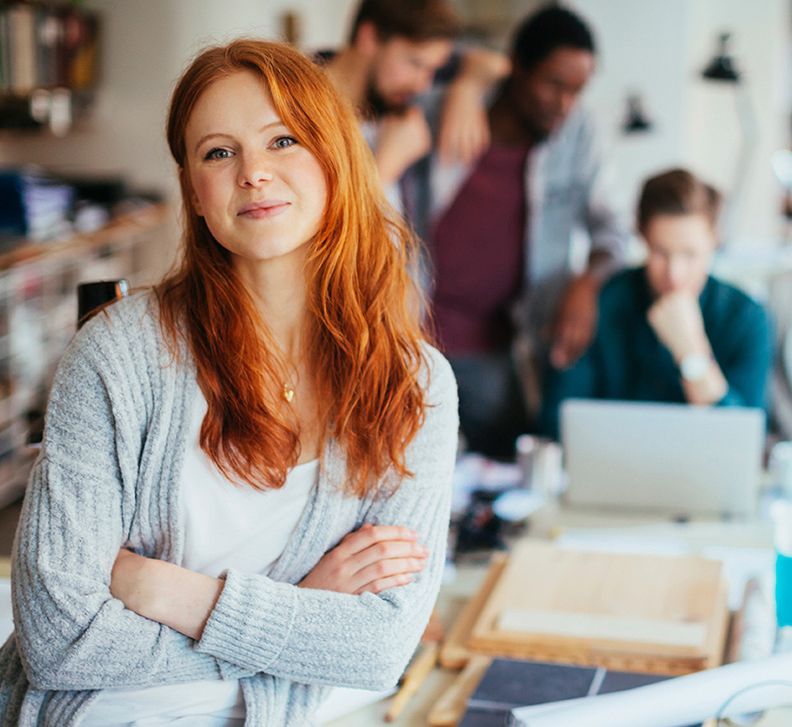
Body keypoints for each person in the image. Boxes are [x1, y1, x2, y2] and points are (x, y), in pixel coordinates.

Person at [0, 40, 458, 726]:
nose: (254, 174)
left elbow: (379, 648)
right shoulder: (118, 354)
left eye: (282, 140)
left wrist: (165, 589)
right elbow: (59, 640)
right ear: (194, 190)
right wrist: (301, 608)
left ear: (335, 157)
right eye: (219, 152)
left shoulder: (415, 385)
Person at [425, 4, 626, 459]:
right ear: (515, 67)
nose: (564, 104)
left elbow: (613, 231)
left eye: (577, 90)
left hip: (494, 349)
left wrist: (587, 283)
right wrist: (469, 81)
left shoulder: (579, 133)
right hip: (411, 337)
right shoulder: (444, 108)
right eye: (553, 84)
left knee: (510, 462)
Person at [540, 168, 773, 440]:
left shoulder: (747, 318)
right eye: (660, 253)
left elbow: (744, 440)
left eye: (689, 254)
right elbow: (557, 422)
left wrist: (691, 354)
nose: (674, 275)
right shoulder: (600, 303)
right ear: (642, 237)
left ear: (714, 239)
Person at [320, 0, 509, 219]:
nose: (423, 85)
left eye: (432, 70)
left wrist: (466, 88)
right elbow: (325, 236)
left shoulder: (396, 100)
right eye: (416, 64)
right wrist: (385, 167)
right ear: (369, 38)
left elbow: (494, 63)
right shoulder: (294, 109)